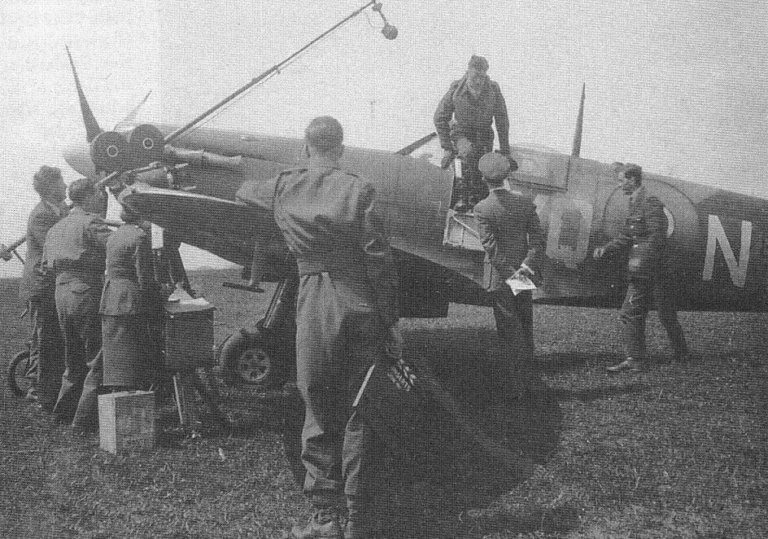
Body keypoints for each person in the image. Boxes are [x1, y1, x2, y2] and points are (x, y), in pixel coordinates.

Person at [258, 116, 398, 539]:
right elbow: (379, 260)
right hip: (358, 301)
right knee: (361, 408)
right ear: (341, 148)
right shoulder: (360, 188)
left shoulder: (282, 185)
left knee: (317, 403)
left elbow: (244, 192)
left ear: (305, 146)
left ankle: (323, 518)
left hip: (313, 300)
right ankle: (358, 520)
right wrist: (390, 320)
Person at [593, 163, 689, 373]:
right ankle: (676, 354)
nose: (619, 186)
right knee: (661, 313)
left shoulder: (649, 202)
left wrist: (643, 263)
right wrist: (606, 249)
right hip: (652, 269)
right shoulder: (635, 202)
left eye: (621, 181)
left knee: (635, 312)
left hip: (653, 269)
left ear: (633, 180)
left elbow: (657, 235)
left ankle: (637, 360)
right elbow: (628, 235)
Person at [44, 178, 111, 433]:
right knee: (97, 358)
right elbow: (116, 247)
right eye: (98, 194)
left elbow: (46, 266)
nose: (101, 198)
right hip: (85, 291)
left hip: (61, 293)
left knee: (73, 360)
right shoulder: (91, 222)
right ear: (87, 197)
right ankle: (83, 421)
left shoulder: (56, 228)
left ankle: (62, 413)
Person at [473, 152, 545, 378]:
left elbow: (490, 247)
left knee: (507, 329)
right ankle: (529, 374)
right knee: (524, 326)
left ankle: (513, 383)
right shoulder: (525, 204)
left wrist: (510, 274)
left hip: (501, 277)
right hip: (523, 274)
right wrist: (524, 268)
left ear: (484, 179)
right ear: (505, 177)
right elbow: (538, 240)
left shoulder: (482, 208)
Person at [18, 166, 68, 411]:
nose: (66, 186)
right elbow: (53, 245)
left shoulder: (61, 209)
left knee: (51, 336)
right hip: (40, 285)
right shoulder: (40, 215)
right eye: (62, 183)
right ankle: (36, 390)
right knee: (43, 337)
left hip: (51, 283)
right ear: (51, 187)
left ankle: (46, 385)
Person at [434, 54, 511, 212]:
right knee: (467, 155)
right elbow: (440, 118)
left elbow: (502, 120)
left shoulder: (493, 90)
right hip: (462, 134)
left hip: (484, 137)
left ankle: (480, 203)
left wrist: (505, 149)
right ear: (468, 72)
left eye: (482, 78)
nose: (478, 82)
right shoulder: (456, 90)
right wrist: (447, 147)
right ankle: (461, 198)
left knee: (485, 169)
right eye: (475, 76)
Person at [100, 206, 160, 392]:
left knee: (117, 358)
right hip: (130, 300)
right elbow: (144, 278)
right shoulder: (139, 237)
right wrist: (158, 296)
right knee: (136, 354)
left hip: (110, 297)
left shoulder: (114, 236)